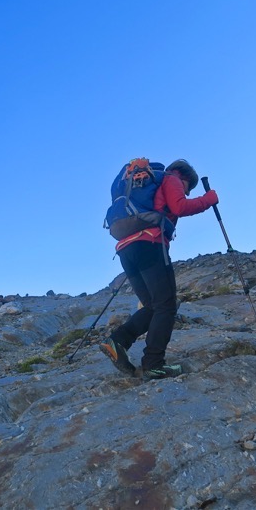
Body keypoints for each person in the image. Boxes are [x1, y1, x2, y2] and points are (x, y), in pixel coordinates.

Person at [100, 159, 218, 379]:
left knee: (154, 306)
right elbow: (179, 207)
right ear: (184, 178)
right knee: (166, 305)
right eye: (188, 188)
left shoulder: (140, 184)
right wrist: (208, 200)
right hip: (150, 244)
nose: (187, 193)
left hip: (126, 249)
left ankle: (117, 342)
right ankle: (153, 363)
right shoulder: (171, 178)